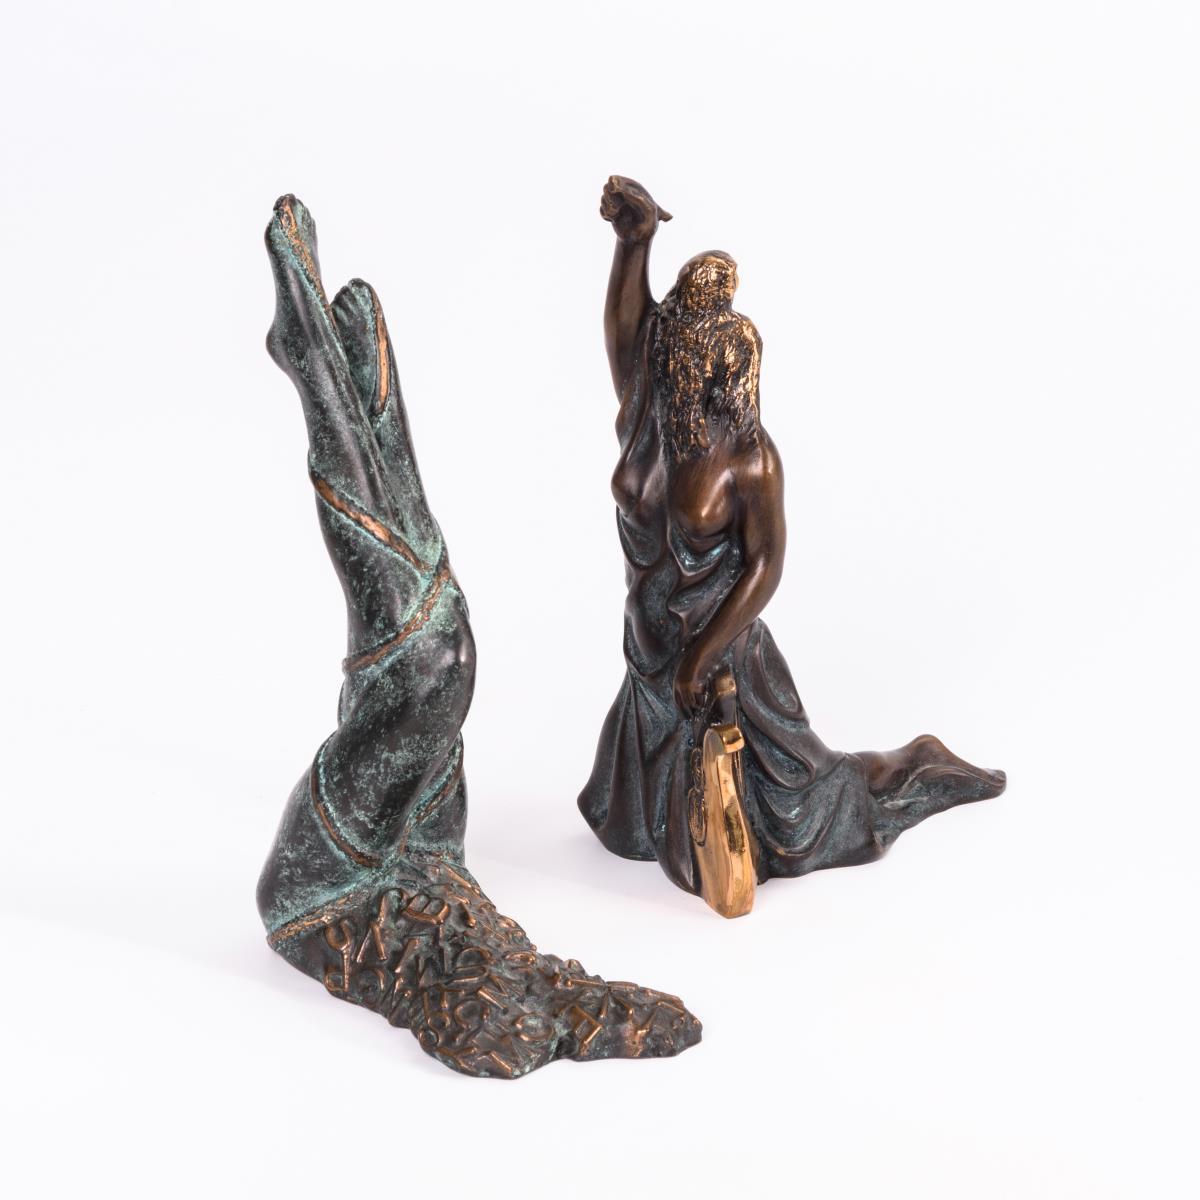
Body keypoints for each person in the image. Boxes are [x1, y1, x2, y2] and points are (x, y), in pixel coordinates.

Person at [579, 177, 1006, 901]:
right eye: (672, 347)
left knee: (809, 808)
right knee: (636, 822)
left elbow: (766, 566)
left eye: (692, 355)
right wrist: (634, 243)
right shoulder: (650, 414)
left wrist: (705, 655)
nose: (672, 360)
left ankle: (918, 762)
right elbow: (624, 332)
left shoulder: (750, 459)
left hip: (720, 658)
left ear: (724, 366)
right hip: (650, 652)